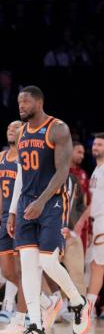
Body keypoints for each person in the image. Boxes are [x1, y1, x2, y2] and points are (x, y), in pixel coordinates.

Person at [7, 86, 89, 334]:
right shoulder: (21, 133)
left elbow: (63, 171)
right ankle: (35, 326)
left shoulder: (57, 128)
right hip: (25, 205)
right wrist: (12, 210)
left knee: (48, 261)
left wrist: (41, 202)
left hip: (51, 202)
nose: (21, 105)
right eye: (19, 102)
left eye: (26, 101)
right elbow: (21, 173)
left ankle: (78, 302)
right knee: (28, 266)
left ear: (39, 102)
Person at [0, 121, 28, 334]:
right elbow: (2, 195)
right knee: (6, 272)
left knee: (23, 271)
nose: (11, 129)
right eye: (8, 127)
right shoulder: (1, 157)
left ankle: (22, 316)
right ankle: (41, 299)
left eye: (16, 127)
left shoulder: (27, 156)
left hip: (21, 217)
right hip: (4, 219)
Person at [75, 133, 104, 318]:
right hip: (98, 223)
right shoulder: (96, 170)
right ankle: (90, 307)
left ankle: (89, 307)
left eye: (100, 145)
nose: (95, 147)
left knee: (97, 266)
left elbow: (96, 202)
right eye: (94, 144)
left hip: (102, 221)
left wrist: (80, 221)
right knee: (96, 266)